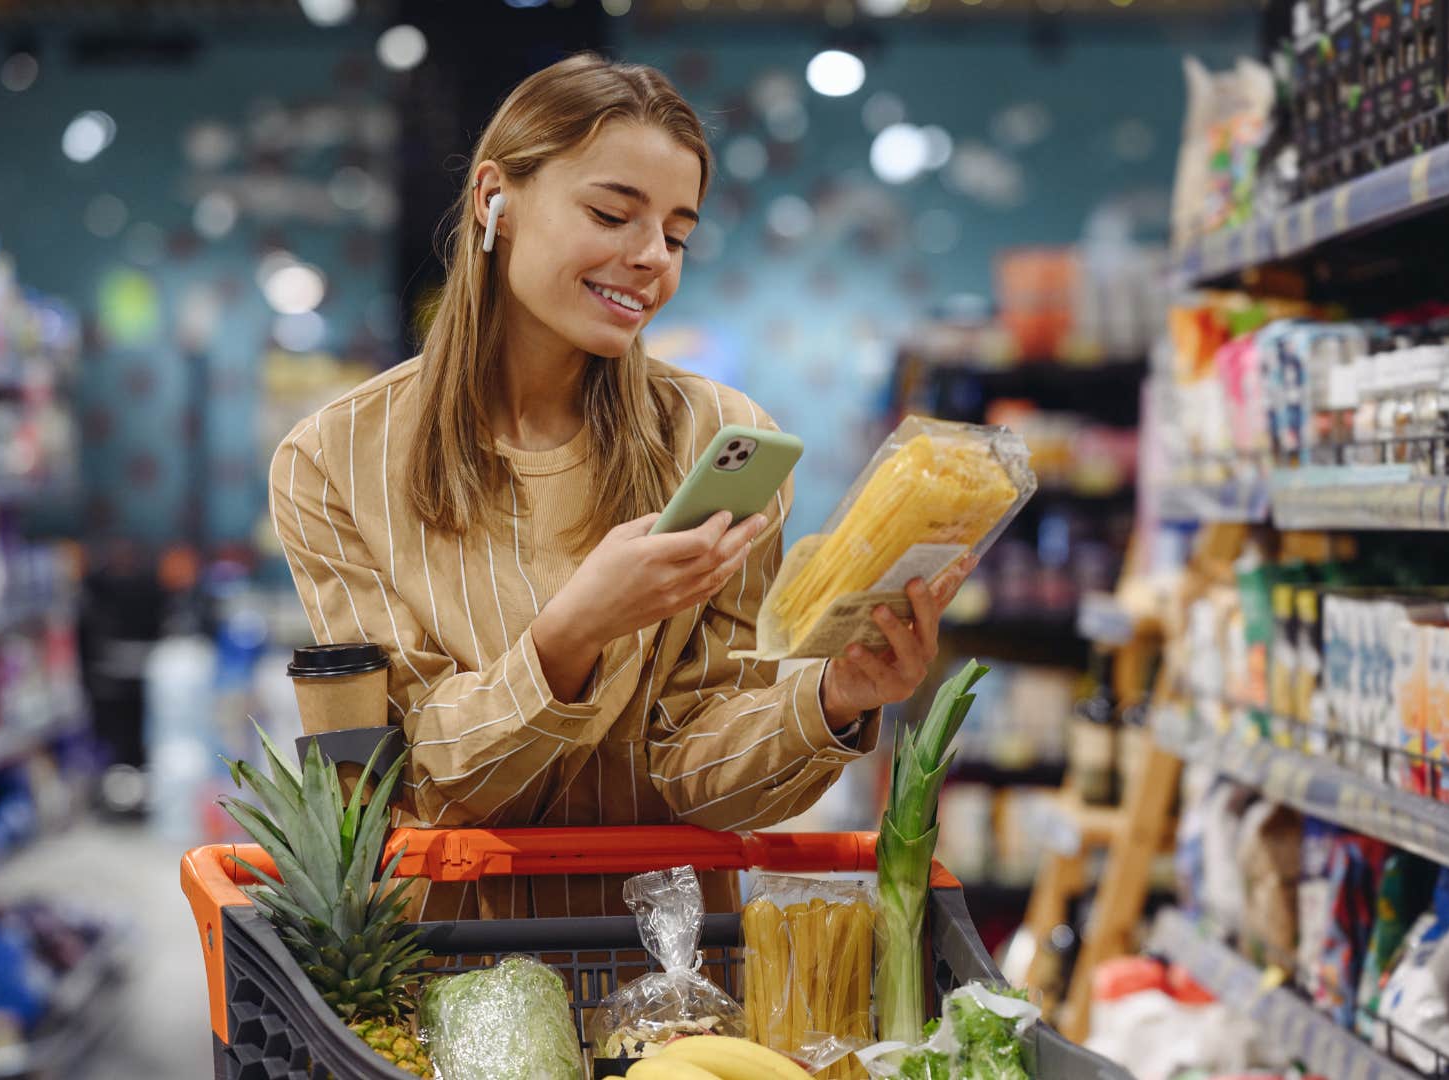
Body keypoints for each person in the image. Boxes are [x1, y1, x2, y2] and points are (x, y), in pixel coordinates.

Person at [270, 53, 976, 918]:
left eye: (678, 235)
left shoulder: (720, 443)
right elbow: (419, 780)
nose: (650, 259)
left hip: (676, 977)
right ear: (495, 197)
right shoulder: (334, 460)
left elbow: (700, 778)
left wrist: (831, 699)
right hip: (446, 981)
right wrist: (575, 630)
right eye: (612, 214)